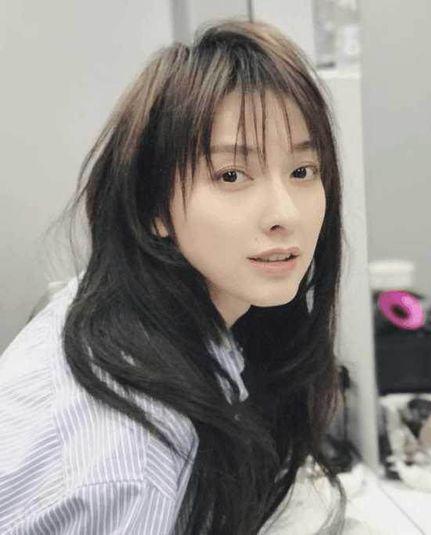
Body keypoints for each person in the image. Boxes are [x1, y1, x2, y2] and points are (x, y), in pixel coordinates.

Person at [0, 19, 347, 534]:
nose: (285, 214)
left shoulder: (119, 315)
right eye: (232, 175)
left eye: (303, 171)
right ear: (153, 206)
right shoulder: (133, 465)